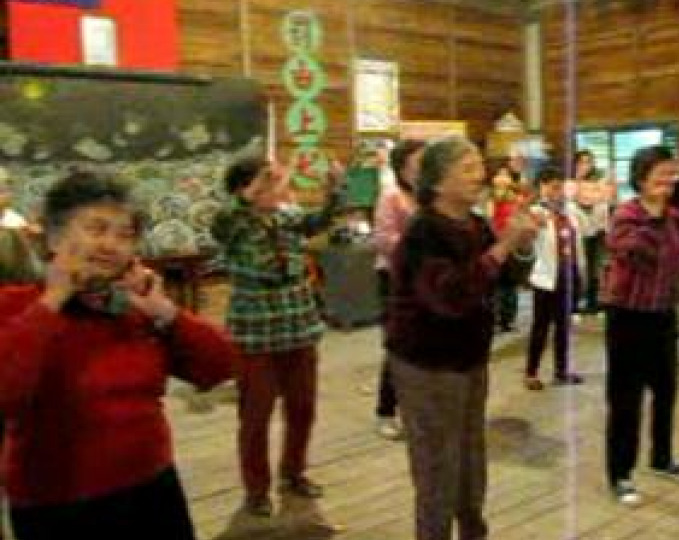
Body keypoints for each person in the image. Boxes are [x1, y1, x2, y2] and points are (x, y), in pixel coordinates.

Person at [0, 170, 235, 539]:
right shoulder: (15, 306)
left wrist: (166, 312)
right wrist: (53, 298)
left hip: (153, 489)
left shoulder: (133, 309)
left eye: (124, 235)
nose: (111, 245)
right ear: (54, 237)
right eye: (96, 229)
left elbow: (220, 366)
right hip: (58, 506)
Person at [385, 136, 538, 540]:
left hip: (469, 359)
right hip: (428, 364)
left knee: (470, 459)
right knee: (437, 468)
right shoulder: (423, 232)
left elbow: (505, 278)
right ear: (437, 182)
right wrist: (505, 245)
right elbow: (450, 297)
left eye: (479, 166)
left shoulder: (475, 223)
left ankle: (473, 531)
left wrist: (521, 245)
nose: (480, 175)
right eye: (468, 168)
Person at [211, 157, 341, 516]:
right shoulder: (234, 224)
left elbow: (318, 221)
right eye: (264, 183)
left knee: (302, 409)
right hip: (255, 335)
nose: (275, 187)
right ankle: (256, 490)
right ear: (244, 190)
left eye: (274, 181)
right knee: (256, 416)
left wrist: (334, 189)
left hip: (299, 328)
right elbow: (223, 222)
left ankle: (294, 472)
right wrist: (252, 191)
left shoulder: (287, 217)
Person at [602, 145, 679, 506]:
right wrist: (657, 219)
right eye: (661, 173)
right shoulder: (627, 214)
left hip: (663, 314)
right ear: (641, 178)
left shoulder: (676, 217)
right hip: (627, 315)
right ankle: (620, 473)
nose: (669, 180)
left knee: (666, 391)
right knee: (626, 398)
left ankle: (662, 458)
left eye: (672, 173)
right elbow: (635, 252)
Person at [373, 139, 425, 440]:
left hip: (425, 280)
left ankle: (414, 410)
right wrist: (419, 247)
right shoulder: (391, 196)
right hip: (394, 278)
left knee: (421, 345)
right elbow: (383, 240)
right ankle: (386, 411)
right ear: (402, 168)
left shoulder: (428, 196)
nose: (424, 167)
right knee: (398, 344)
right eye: (418, 162)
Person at [524, 165, 586, 391]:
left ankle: (561, 370)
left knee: (564, 327)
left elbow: (588, 230)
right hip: (545, 279)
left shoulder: (571, 210)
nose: (556, 192)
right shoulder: (535, 212)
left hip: (569, 276)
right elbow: (524, 247)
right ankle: (531, 372)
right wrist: (531, 225)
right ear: (542, 188)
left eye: (560, 187)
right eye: (552, 187)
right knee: (540, 327)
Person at [571, 150, 613, 316]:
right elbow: (574, 200)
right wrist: (579, 181)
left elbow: (604, 199)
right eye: (582, 161)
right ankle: (574, 302)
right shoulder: (571, 181)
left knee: (596, 266)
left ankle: (593, 301)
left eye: (589, 161)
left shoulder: (599, 179)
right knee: (578, 265)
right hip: (578, 229)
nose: (586, 165)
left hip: (597, 228)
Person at [490, 159, 526, 332]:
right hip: (496, 244)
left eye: (506, 175)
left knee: (510, 283)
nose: (502, 178)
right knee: (496, 283)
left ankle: (509, 318)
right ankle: (496, 319)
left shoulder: (516, 198)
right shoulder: (489, 198)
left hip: (512, 243)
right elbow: (488, 220)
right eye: (500, 174)